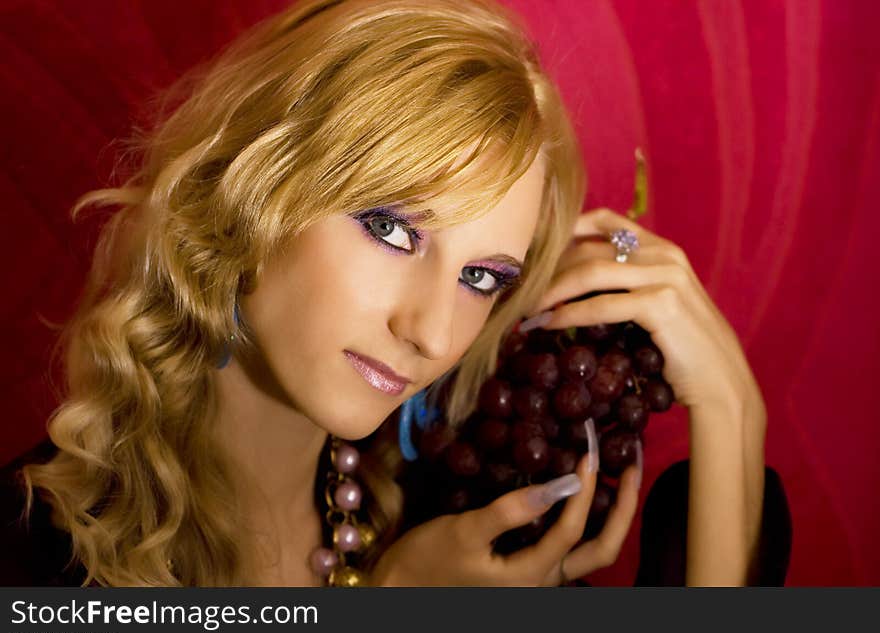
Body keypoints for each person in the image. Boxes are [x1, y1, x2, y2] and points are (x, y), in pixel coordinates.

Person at [0, 0, 790, 587]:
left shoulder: (451, 507)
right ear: (258, 184)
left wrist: (731, 409)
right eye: (392, 229)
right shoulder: (31, 556)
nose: (433, 332)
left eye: (482, 278)